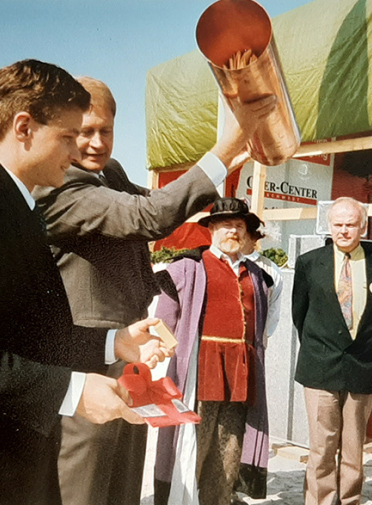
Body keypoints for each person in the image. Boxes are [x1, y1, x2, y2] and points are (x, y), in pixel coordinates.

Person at [0, 60, 168, 504]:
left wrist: (112, 343)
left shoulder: (16, 207)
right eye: (67, 136)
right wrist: (72, 388)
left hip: (14, 466)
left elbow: (25, 335)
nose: (76, 151)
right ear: (23, 127)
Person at [33, 78, 274, 505]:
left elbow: (167, 208)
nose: (95, 143)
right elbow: (149, 215)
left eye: (104, 130)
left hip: (130, 353)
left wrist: (239, 153)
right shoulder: (62, 184)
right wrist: (228, 144)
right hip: (85, 356)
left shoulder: (111, 173)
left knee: (123, 483)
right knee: (83, 483)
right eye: (82, 132)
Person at [154, 198, 271, 505]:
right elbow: (162, 323)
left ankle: (218, 500)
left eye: (238, 226)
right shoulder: (186, 267)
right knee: (195, 443)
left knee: (230, 446)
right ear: (211, 230)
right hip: (200, 369)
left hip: (240, 372)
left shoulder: (257, 276)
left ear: (246, 232)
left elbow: (262, 329)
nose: (232, 231)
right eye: (224, 225)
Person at [292, 196, 372, 505]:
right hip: (320, 366)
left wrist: (363, 349)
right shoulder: (310, 263)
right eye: (338, 224)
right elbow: (299, 315)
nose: (344, 231)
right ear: (329, 225)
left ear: (363, 227)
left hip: (361, 367)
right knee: (322, 447)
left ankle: (350, 500)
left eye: (351, 224)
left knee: (353, 448)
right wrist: (323, 346)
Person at [240, 214, 283, 347]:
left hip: (253, 343)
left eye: (242, 231)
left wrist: (258, 335)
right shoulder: (217, 263)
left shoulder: (270, 270)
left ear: (254, 237)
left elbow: (272, 311)